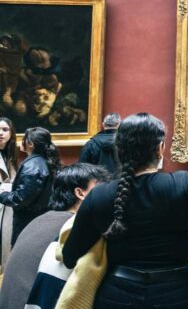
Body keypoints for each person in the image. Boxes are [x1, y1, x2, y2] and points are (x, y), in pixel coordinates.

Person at [62, 113, 188, 309]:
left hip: (117, 297)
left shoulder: (98, 196)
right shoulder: (183, 184)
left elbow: (70, 257)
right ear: (160, 148)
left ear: (119, 150)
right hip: (178, 295)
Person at [0, 163, 109, 309]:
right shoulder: (73, 226)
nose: (104, 196)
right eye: (100, 189)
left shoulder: (41, 219)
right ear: (80, 193)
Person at [0, 126, 61, 245]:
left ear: (30, 144)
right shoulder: (44, 160)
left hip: (28, 221)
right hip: (38, 218)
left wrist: (2, 194)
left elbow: (20, 199)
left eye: (24, 138)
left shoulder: (33, 166)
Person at [0, 117, 19, 273]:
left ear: (11, 133)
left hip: (6, 206)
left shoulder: (10, 155)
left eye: (5, 130)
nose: (0, 133)